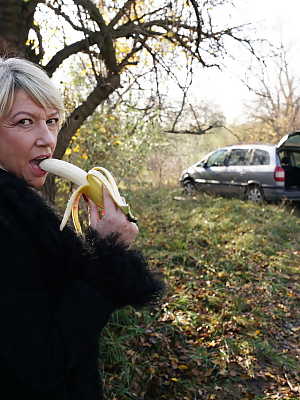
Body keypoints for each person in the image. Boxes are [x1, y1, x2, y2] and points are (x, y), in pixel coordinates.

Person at [0, 56, 164, 400]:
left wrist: (107, 248)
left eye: (52, 121)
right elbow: (41, 364)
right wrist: (109, 252)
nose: (47, 139)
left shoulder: (22, 210)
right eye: (25, 122)